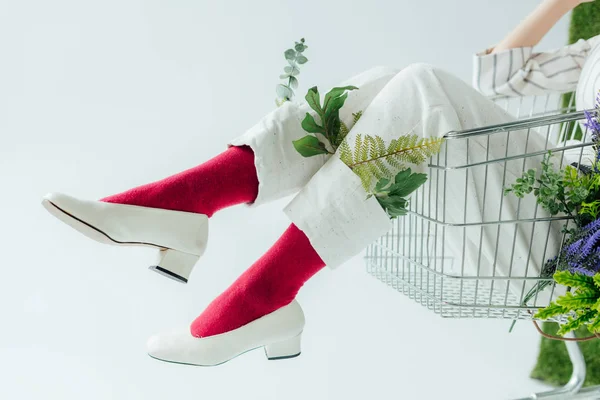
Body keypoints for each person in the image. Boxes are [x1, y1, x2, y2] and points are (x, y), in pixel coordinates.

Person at [42, 0, 599, 366]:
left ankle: (258, 280)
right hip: (534, 200)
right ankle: (198, 201)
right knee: (392, 83)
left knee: (423, 89)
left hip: (563, 250)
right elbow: (500, 76)